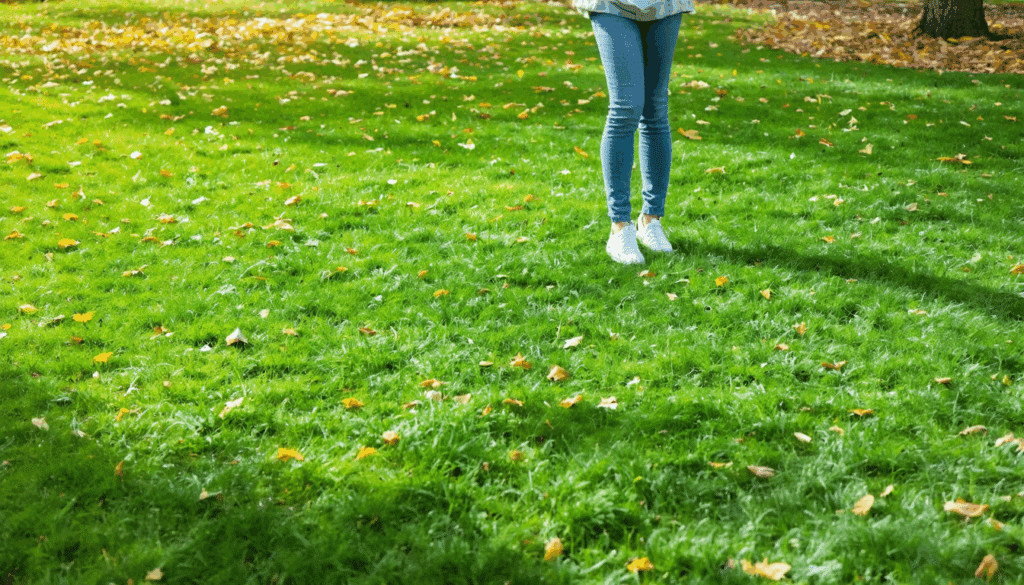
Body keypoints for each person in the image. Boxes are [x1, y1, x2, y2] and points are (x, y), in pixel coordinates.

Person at [571, 0, 694, 264]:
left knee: (655, 108)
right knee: (626, 106)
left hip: (665, 5)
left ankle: (651, 220)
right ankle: (620, 227)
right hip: (612, 4)